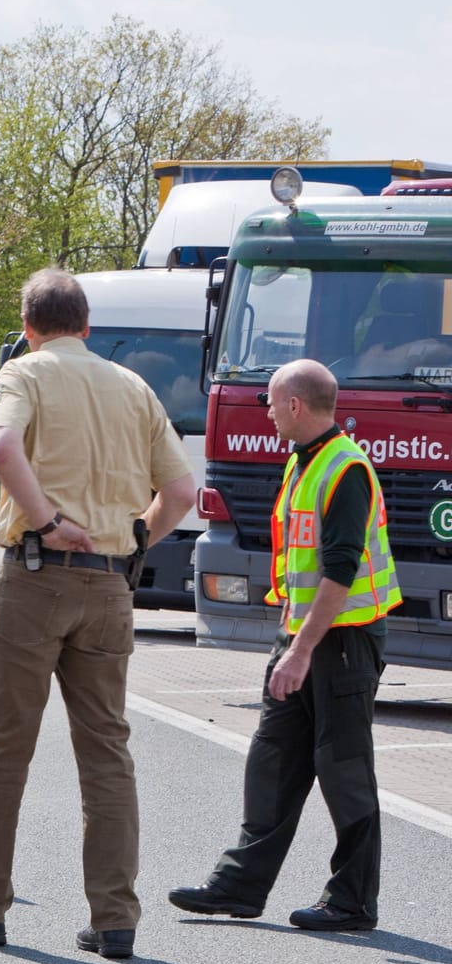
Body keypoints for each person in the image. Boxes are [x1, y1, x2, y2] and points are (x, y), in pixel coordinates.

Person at [0, 268, 196, 960]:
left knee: (5, 749)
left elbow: (1, 447)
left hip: (35, 578)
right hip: (110, 586)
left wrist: (46, 518)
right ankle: (114, 917)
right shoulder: (132, 386)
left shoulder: (25, 375)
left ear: (29, 327)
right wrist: (137, 538)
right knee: (107, 754)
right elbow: (181, 491)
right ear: (87, 326)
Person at [168, 360, 399, 932]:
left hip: (342, 643)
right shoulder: (306, 461)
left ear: (296, 404)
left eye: (271, 403)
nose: (266, 413)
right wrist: (291, 643)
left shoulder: (344, 468)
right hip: (304, 637)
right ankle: (239, 887)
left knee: (343, 771)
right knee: (272, 760)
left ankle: (352, 902)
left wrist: (299, 651)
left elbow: (341, 572)